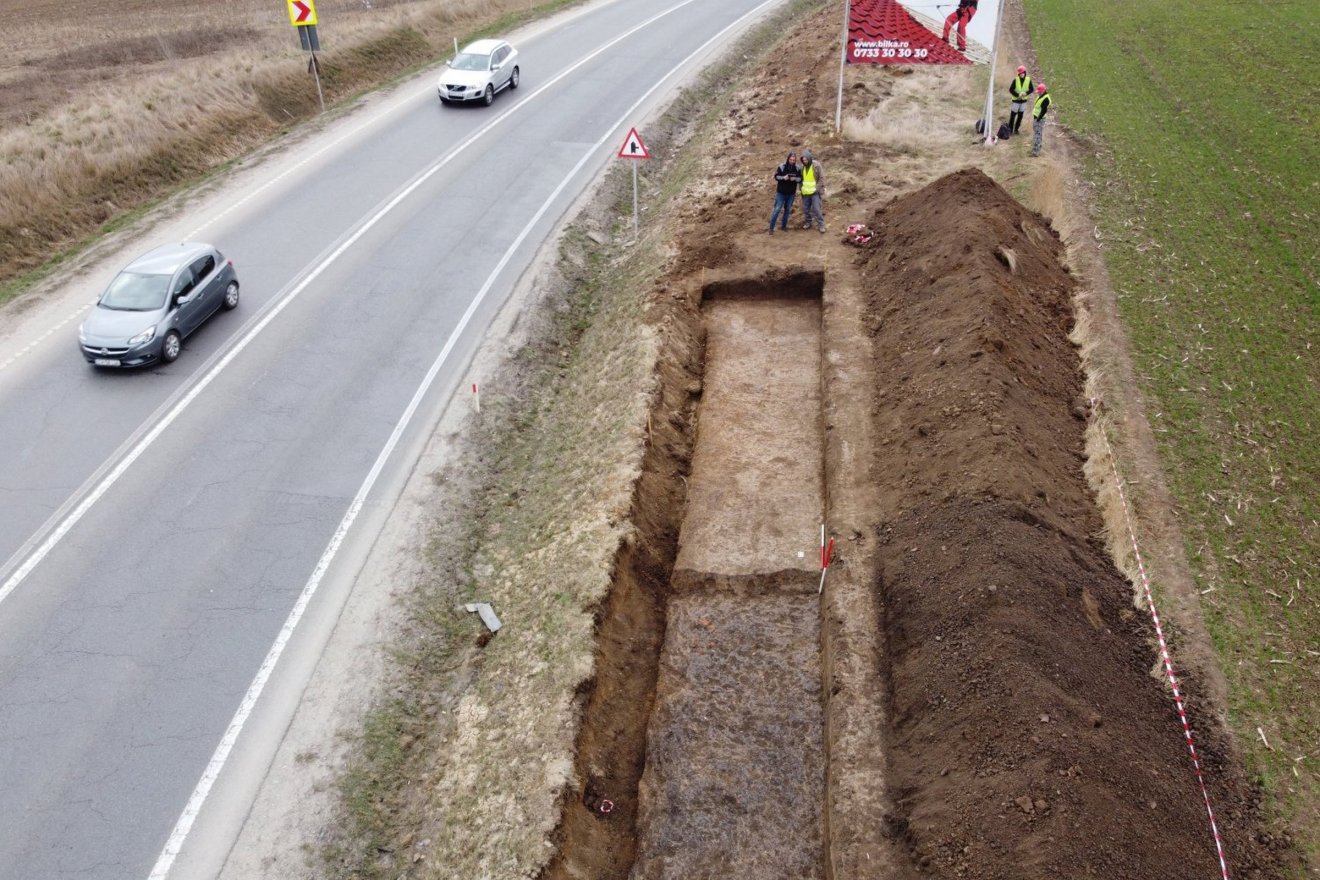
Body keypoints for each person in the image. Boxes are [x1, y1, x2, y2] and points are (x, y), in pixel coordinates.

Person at [768, 151, 800, 234]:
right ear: (788, 159)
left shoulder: (797, 168)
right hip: (781, 193)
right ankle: (771, 228)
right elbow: (776, 176)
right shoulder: (782, 167)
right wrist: (783, 177)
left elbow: (800, 178)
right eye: (791, 159)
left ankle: (784, 226)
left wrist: (795, 179)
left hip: (791, 193)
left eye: (793, 160)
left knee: (787, 210)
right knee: (777, 209)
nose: (792, 161)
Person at [799, 149, 825, 233]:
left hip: (815, 192)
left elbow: (821, 178)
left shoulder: (816, 165)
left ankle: (821, 225)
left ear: (809, 158)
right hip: (806, 192)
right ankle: (808, 222)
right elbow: (801, 180)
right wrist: (801, 189)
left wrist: (816, 189)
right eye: (803, 160)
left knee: (816, 209)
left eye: (806, 159)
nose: (805, 161)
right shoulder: (802, 167)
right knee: (806, 209)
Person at [1008, 65, 1033, 135]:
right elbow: (1011, 90)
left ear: (1025, 72)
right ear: (1018, 74)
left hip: (1023, 101)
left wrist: (1026, 93)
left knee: (1020, 116)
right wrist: (1017, 95)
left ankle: (1016, 129)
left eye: (1023, 73)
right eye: (1020, 73)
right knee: (1013, 116)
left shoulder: (1028, 80)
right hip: (1016, 101)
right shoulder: (1015, 80)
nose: (1022, 74)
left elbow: (1031, 89)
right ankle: (1010, 130)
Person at [1031, 83, 1052, 157]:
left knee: (1038, 135)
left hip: (1039, 119)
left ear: (1043, 91)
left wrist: (1038, 119)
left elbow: (1043, 111)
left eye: (1039, 91)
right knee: (1037, 133)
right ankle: (1036, 148)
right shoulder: (1041, 96)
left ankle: (1036, 152)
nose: (1038, 93)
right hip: (1036, 118)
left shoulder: (1045, 98)